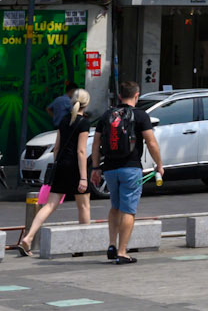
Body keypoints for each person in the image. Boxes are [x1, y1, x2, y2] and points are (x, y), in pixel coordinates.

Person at [90, 80, 163, 263]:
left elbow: (96, 143)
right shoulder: (140, 116)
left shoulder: (107, 115)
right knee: (128, 210)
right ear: (136, 95)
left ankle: (112, 244)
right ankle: (122, 252)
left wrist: (96, 167)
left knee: (115, 207)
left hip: (110, 169)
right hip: (131, 168)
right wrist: (159, 164)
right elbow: (151, 142)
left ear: (120, 96)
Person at [16, 88, 93, 255]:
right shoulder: (84, 123)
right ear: (86, 104)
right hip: (75, 168)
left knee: (49, 205)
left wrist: (58, 164)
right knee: (84, 206)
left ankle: (28, 238)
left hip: (60, 166)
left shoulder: (65, 120)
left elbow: (57, 148)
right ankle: (82, 245)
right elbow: (81, 151)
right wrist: (83, 177)